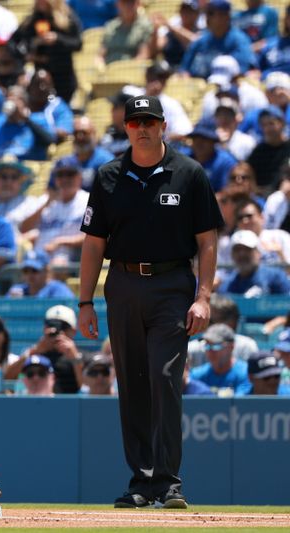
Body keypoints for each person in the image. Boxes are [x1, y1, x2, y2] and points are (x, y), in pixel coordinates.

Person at [78, 94, 224, 509]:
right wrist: (84, 302)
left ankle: (168, 482)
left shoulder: (189, 173)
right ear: (125, 127)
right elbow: (93, 244)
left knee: (164, 379)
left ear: (163, 125)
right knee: (133, 385)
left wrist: (204, 297)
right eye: (134, 121)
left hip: (172, 284)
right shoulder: (108, 175)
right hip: (122, 283)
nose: (142, 128)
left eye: (150, 120)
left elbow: (207, 241)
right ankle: (141, 482)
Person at [8, 0, 82, 102]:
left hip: (63, 77)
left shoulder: (67, 18)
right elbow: (13, 42)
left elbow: (78, 44)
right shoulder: (33, 20)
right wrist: (26, 55)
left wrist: (57, 39)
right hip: (41, 77)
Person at [20, 156, 88, 266]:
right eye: (60, 175)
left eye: (70, 174)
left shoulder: (87, 201)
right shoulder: (46, 201)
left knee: (58, 264)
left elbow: (93, 237)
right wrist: (46, 204)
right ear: (55, 179)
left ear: (79, 177)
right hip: (36, 258)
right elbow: (24, 229)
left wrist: (61, 242)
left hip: (65, 259)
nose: (65, 179)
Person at [7, 305, 83, 391]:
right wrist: (35, 351)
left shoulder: (81, 357)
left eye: (63, 327)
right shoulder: (33, 355)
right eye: (51, 325)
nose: (56, 331)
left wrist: (75, 359)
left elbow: (88, 389)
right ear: (44, 329)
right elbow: (8, 379)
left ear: (73, 331)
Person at [179, 0, 255, 79]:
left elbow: (241, 72)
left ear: (226, 16)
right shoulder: (200, 41)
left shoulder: (238, 40)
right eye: (206, 13)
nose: (206, 17)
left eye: (211, 13)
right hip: (197, 87)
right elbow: (184, 69)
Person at [186, 293, 258, 368]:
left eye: (210, 321)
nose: (205, 325)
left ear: (231, 323)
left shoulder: (246, 346)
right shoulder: (192, 349)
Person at [217, 229, 290, 297]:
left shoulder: (276, 277)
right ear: (232, 255)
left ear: (258, 252)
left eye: (247, 249)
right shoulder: (227, 286)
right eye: (237, 250)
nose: (242, 254)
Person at [189, 323, 251, 396]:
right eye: (207, 346)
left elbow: (240, 404)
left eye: (216, 346)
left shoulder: (246, 373)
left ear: (231, 347)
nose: (210, 351)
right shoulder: (196, 375)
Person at [246, 106, 290, 193]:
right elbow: (246, 170)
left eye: (271, 124)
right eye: (264, 125)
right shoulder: (259, 151)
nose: (268, 129)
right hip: (260, 196)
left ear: (282, 123)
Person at [99, 0, 153, 64]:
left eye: (131, 3)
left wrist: (126, 69)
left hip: (131, 70)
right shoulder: (111, 26)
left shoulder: (145, 26)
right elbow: (100, 55)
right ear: (118, 5)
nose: (128, 6)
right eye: (124, 3)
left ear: (138, 4)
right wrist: (100, 66)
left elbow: (143, 55)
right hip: (109, 69)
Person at [6, 249, 74, 298]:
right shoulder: (17, 290)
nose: (30, 275)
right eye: (26, 271)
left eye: (34, 270)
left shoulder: (58, 290)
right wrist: (13, 303)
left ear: (46, 271)